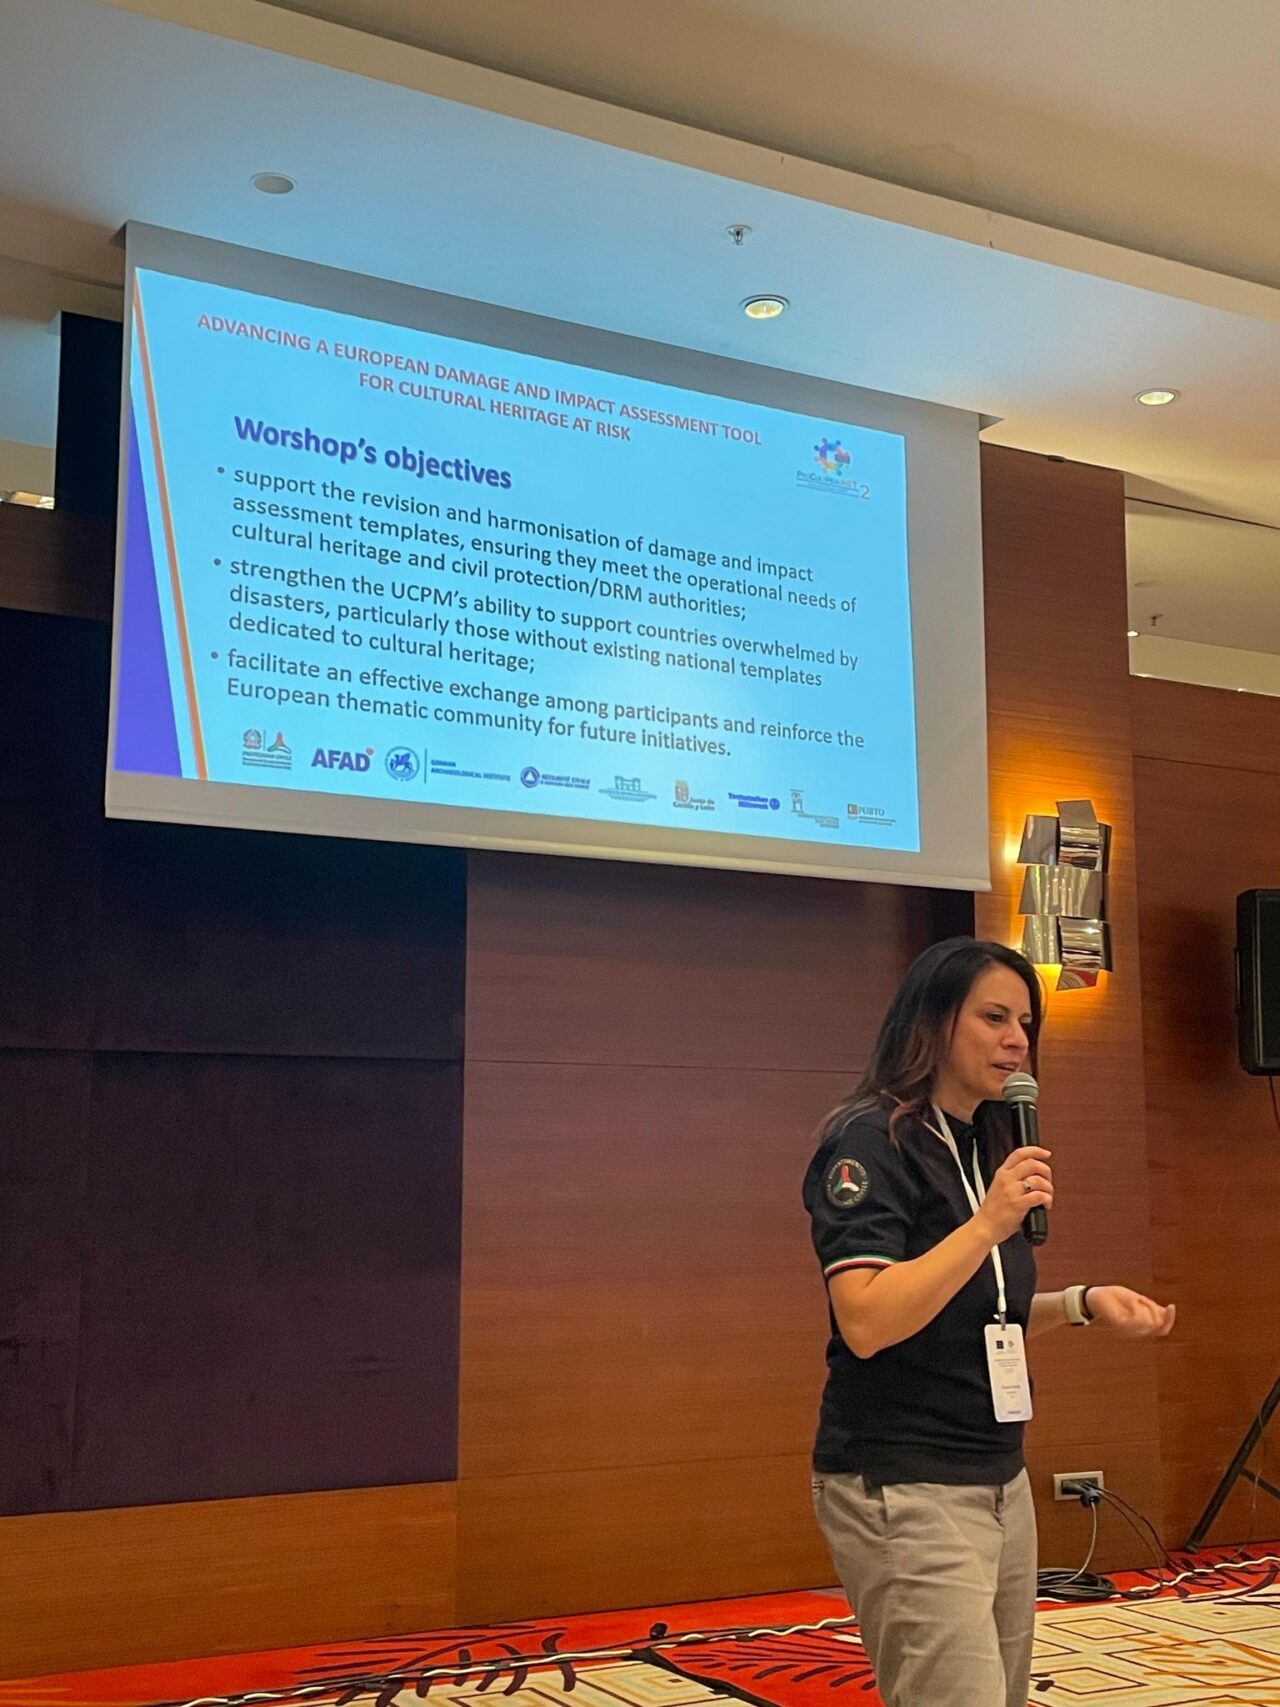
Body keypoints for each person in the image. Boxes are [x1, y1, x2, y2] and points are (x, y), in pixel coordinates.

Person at [803, 937, 1174, 1707]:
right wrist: (986, 1223)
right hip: (905, 1476)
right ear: (934, 1021)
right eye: (995, 1017)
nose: (1016, 1040)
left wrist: (1081, 1302)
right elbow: (867, 1318)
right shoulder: (871, 1141)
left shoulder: (984, 1140)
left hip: (999, 1473)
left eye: (1026, 1023)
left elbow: (973, 1311)